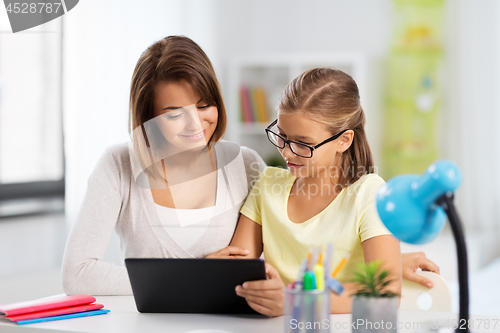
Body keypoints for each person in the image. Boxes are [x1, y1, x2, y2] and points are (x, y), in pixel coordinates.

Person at [62, 36, 439, 296]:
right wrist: (195, 277)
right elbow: (78, 274)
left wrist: (382, 264)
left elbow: (302, 250)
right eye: (174, 113)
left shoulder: (248, 167)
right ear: (146, 116)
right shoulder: (120, 164)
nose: (195, 125)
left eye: (203, 105)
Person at [207, 67, 424, 316]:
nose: (287, 152)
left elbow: (384, 295)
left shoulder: (369, 194)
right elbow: (239, 270)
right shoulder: (268, 184)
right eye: (282, 136)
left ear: (344, 140)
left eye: (303, 143)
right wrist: (217, 272)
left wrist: (294, 301)